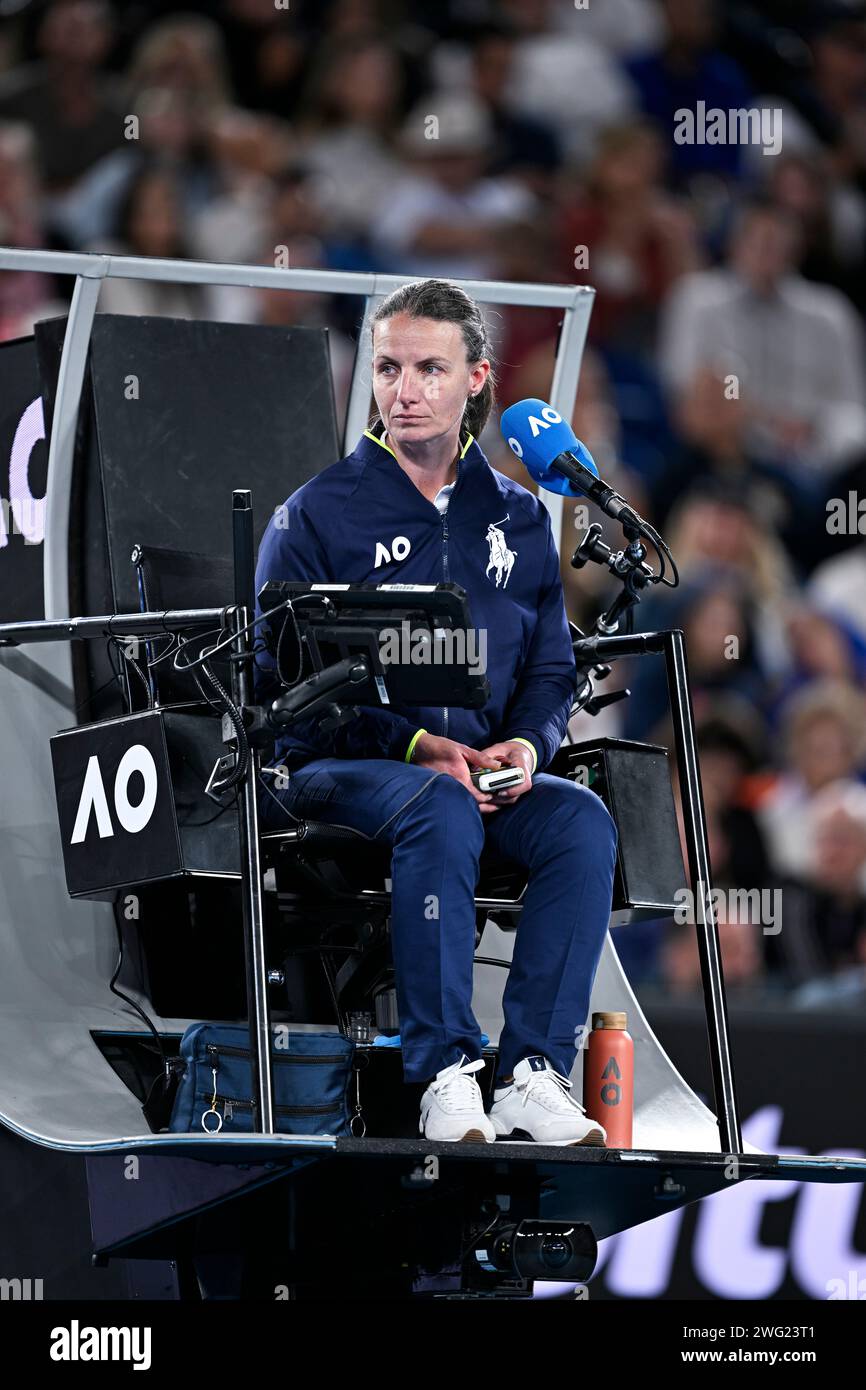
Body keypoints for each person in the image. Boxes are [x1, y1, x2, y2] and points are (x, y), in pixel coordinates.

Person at [254, 278, 618, 1146]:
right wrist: (418, 745)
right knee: (442, 803)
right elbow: (285, 686)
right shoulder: (315, 514)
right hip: (336, 773)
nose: (403, 390)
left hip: (477, 776)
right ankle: (445, 1071)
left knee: (581, 823)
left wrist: (529, 746)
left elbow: (549, 664)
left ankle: (532, 1070)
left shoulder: (523, 516)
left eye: (427, 368)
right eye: (387, 367)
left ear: (475, 381)